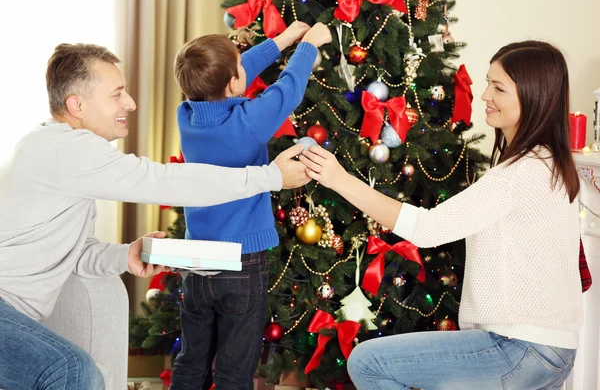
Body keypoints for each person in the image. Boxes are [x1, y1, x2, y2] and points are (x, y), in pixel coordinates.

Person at [0, 43, 310, 390]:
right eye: (117, 94)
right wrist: (269, 177)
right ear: (77, 105)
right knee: (73, 371)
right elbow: (164, 181)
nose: (130, 103)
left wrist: (125, 253)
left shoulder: (59, 152)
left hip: (11, 315)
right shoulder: (66, 149)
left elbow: (75, 256)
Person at [300, 40, 581, 389]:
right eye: (487, 83)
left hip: (519, 347)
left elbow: (427, 229)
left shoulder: (520, 173)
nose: (484, 96)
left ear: (533, 95)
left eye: (499, 87)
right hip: (551, 349)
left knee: (368, 362)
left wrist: (339, 179)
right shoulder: (548, 163)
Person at [169, 22, 332, 390]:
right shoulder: (248, 123)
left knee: (191, 361)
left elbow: (234, 74)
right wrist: (306, 45)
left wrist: (283, 39)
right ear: (233, 84)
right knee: (234, 369)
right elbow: (286, 91)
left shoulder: (187, 116)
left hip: (197, 262)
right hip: (241, 264)